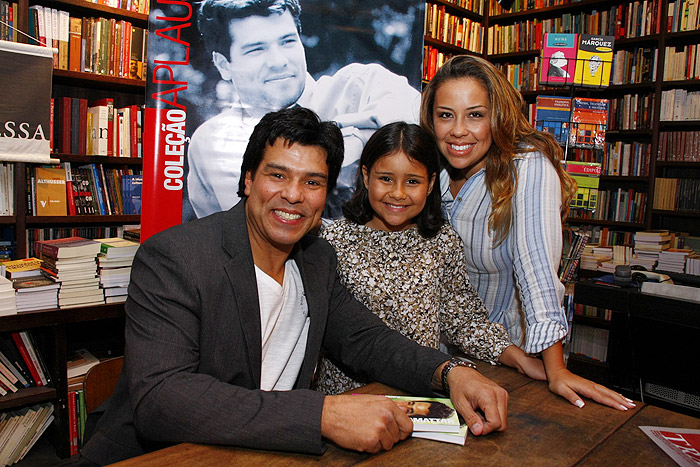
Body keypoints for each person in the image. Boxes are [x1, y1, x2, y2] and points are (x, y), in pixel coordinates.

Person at [77, 107, 509, 465]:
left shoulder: (316, 258)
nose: (294, 195)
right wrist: (321, 414)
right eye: (278, 176)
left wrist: (450, 372)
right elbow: (162, 398)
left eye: (313, 182)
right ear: (248, 180)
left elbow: (366, 339)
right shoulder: (175, 256)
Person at [419, 55, 636, 411]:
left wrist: (557, 369)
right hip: (435, 355)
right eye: (446, 115)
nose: (458, 130)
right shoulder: (430, 170)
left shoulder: (528, 166)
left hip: (505, 359)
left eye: (475, 114)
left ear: (498, 116)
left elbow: (535, 266)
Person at [313, 121, 546, 396]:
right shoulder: (333, 241)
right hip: (350, 399)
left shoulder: (441, 241)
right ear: (366, 177)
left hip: (420, 395)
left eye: (412, 181)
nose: (398, 193)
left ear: (431, 183)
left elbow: (463, 321)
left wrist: (520, 359)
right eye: (385, 178)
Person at [187, 0, 421, 219]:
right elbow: (265, 227)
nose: (279, 61)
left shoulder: (361, 85)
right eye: (256, 50)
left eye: (287, 41)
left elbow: (421, 139)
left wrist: (352, 143)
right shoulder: (216, 140)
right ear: (223, 65)